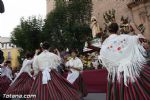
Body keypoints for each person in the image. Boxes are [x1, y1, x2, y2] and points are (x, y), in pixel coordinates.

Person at [99, 23, 150, 100]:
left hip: (116, 75)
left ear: (108, 31)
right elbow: (142, 38)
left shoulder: (105, 44)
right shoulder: (125, 37)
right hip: (132, 71)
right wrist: (135, 29)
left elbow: (104, 59)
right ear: (118, 29)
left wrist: (115, 64)